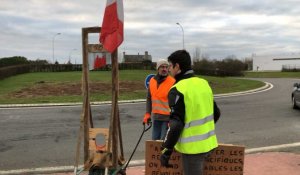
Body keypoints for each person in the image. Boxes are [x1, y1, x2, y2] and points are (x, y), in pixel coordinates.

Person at [160, 50, 220, 175]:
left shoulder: (177, 89)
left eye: (170, 65)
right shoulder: (204, 83)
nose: (169, 69)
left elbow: (175, 124)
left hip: (192, 149)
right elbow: (216, 113)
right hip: (209, 144)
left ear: (177, 67)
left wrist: (167, 149)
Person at [143, 59, 175, 140]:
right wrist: (147, 114)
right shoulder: (152, 81)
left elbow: (176, 103)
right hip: (156, 118)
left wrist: (173, 119)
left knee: (162, 143)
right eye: (162, 67)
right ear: (157, 68)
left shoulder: (173, 82)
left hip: (167, 119)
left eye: (166, 67)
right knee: (154, 142)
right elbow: (149, 98)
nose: (164, 69)